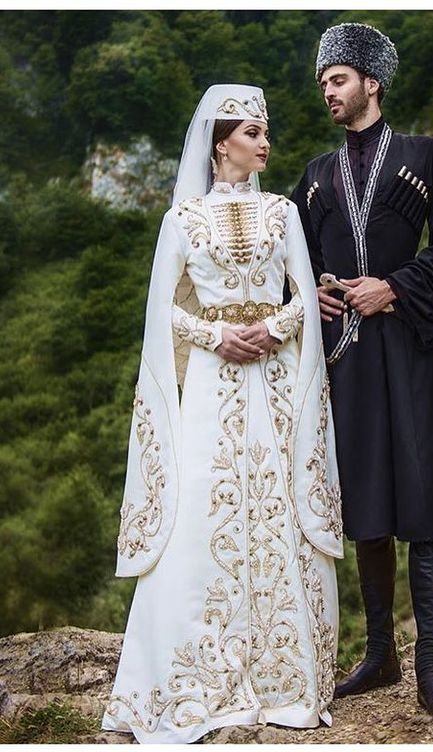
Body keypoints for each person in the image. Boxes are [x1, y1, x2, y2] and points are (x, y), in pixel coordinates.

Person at [101, 84, 344, 744]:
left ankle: (285, 683)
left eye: (266, 132)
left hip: (272, 382)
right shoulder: (183, 220)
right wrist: (214, 336)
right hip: (211, 384)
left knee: (275, 507)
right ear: (220, 144)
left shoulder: (283, 212)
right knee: (206, 511)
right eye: (253, 132)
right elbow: (163, 314)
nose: (265, 143)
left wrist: (274, 328)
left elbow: (303, 293)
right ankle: (200, 681)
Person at [290, 24, 433, 725]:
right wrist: (312, 289)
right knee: (365, 498)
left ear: (371, 80)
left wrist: (396, 286)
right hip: (346, 355)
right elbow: (295, 264)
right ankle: (380, 656)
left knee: (424, 496)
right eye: (322, 83)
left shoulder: (427, 156)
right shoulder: (312, 177)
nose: (328, 93)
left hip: (410, 345)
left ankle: (431, 670)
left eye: (337, 79)